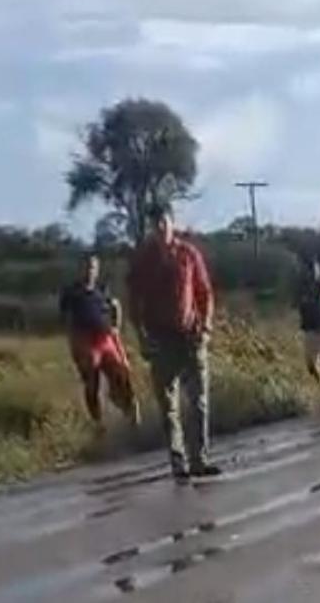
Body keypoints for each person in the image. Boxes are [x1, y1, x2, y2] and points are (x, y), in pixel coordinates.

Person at [127, 205, 220, 481]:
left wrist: (206, 327)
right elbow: (134, 301)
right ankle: (177, 461)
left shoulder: (188, 254)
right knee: (168, 404)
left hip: (190, 335)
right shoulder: (144, 260)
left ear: (172, 223)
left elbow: (205, 293)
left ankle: (199, 459)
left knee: (198, 402)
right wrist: (142, 336)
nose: (160, 228)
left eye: (164, 222)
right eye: (155, 224)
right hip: (160, 338)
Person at [58, 253, 139, 429]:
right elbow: (65, 319)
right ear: (80, 269)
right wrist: (74, 344)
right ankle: (98, 422)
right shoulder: (72, 292)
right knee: (92, 382)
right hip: (85, 340)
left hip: (105, 339)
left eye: (93, 268)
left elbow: (115, 305)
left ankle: (131, 415)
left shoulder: (101, 290)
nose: (89, 271)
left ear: (97, 270)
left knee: (121, 375)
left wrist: (116, 326)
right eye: (86, 267)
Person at [297, 257, 320, 389]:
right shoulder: (301, 287)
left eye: (313, 269)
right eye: (308, 270)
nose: (311, 272)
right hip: (310, 329)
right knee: (310, 364)